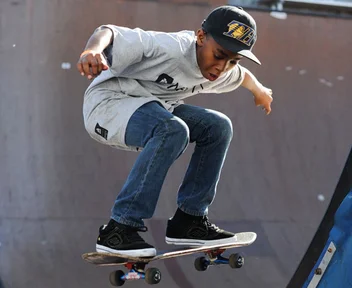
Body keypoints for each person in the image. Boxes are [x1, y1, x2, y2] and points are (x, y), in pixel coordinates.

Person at [77, 5, 273, 257]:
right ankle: (120, 228)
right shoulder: (169, 48)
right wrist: (93, 51)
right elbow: (108, 31)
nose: (222, 68)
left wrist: (260, 91)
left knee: (218, 126)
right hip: (107, 106)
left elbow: (243, 76)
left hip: (155, 109)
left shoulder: (221, 68)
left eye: (232, 60)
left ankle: (189, 221)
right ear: (200, 37)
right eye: (219, 55)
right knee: (173, 130)